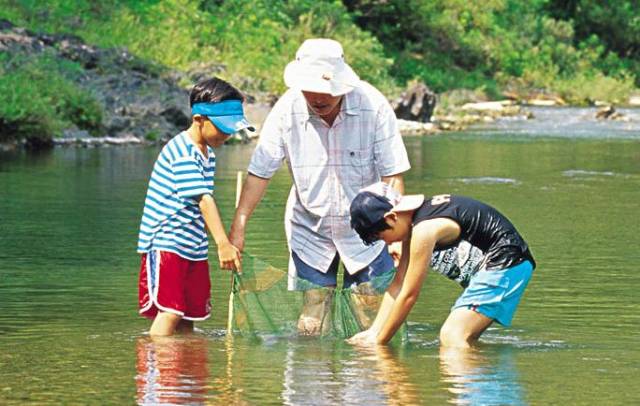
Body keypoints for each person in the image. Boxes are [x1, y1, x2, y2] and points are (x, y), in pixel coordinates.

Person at [229, 38, 411, 334]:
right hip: (310, 227)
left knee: (368, 307)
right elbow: (260, 173)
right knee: (314, 309)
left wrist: (397, 236)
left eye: (326, 93)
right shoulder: (286, 110)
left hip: (369, 228)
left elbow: (393, 176)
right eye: (309, 92)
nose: (317, 99)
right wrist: (239, 225)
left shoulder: (372, 105)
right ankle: (312, 377)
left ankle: (372, 377)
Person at [347, 182, 536, 348]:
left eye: (380, 237)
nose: (387, 244)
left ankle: (480, 388)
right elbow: (398, 285)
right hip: (502, 264)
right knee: (463, 339)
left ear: (391, 218)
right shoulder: (411, 227)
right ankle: (480, 383)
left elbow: (409, 295)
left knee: (452, 336)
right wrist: (373, 332)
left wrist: (380, 343)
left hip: (507, 262)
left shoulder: (424, 230)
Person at [137, 77, 253, 336]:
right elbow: (203, 199)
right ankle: (157, 368)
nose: (228, 134)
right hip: (167, 243)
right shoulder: (183, 151)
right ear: (200, 119)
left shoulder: (207, 153)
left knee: (191, 314)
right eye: (223, 128)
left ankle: (186, 374)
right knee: (171, 310)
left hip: (192, 247)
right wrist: (223, 244)